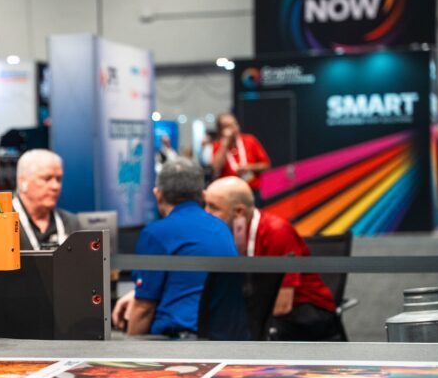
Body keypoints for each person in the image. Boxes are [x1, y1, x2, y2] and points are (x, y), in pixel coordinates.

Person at [112, 158, 245, 338]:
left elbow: (144, 309)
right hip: (222, 338)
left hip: (177, 342)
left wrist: (128, 356)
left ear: (158, 194)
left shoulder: (156, 233)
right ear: (202, 195)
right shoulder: (221, 228)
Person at [204, 176, 340, 341]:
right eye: (205, 205)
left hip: (306, 313)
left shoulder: (277, 232)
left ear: (239, 211)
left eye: (213, 207)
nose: (206, 213)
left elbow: (282, 305)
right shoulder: (227, 233)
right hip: (263, 310)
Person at [13, 149, 79, 250]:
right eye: (46, 179)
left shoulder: (70, 223)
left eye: (59, 179)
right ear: (23, 182)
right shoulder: (2, 222)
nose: (55, 186)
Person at [211, 113, 270, 196]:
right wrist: (225, 144)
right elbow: (216, 168)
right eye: (227, 126)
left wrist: (249, 167)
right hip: (229, 193)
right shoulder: (218, 145)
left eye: (234, 124)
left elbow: (266, 165)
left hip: (251, 190)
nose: (233, 128)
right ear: (221, 130)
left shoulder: (250, 140)